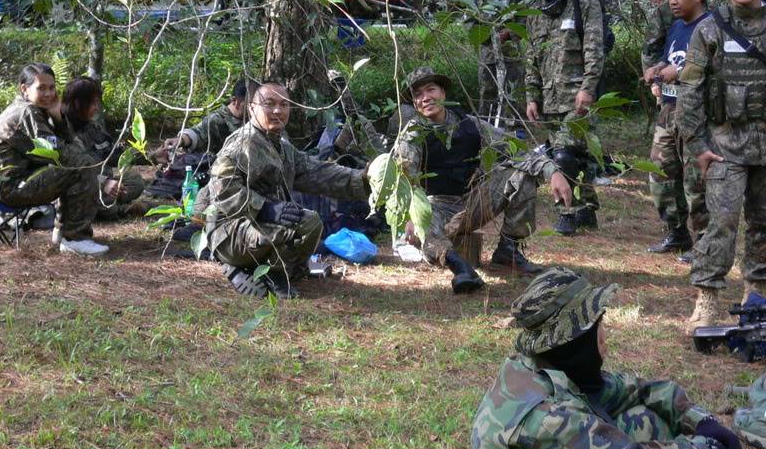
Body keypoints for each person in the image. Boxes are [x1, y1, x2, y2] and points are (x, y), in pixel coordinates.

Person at [469, 267, 744, 449]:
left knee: (645, 418)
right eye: (598, 324)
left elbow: (641, 389)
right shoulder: (550, 419)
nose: (604, 335)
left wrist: (703, 421)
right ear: (577, 338)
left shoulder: (546, 368)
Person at [395, 68, 572, 290]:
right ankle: (460, 267)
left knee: (521, 175)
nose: (425, 98)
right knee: (426, 227)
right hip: (436, 206)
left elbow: (516, 150)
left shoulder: (471, 125)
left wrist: (553, 171)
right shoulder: (412, 134)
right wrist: (410, 215)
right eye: (418, 94)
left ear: (443, 93)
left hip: (474, 200)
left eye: (431, 90)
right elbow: (404, 179)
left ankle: (509, 251)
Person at [205, 81, 370, 299]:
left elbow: (320, 173)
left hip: (259, 225)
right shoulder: (242, 143)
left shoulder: (281, 147)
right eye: (269, 104)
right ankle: (250, 267)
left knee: (310, 222)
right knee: (294, 228)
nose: (277, 111)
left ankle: (271, 270)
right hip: (230, 231)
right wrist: (265, 208)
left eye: (284, 105)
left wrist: (364, 180)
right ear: (252, 108)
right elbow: (221, 189)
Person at [677, 0, 766, 333]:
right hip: (725, 145)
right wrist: (697, 146)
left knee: (764, 222)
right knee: (722, 222)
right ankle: (707, 299)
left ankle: (756, 296)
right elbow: (690, 90)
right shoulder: (710, 28)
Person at [0, 63, 108, 256]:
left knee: (77, 166)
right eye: (41, 88)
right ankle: (75, 238)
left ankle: (64, 233)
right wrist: (60, 122)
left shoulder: (28, 109)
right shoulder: (26, 113)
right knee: (81, 167)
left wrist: (57, 118)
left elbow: (55, 152)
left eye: (52, 88)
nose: (48, 94)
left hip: (6, 183)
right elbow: (64, 154)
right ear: (24, 88)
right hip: (9, 188)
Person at [524, 0, 605, 236]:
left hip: (577, 97)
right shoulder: (534, 13)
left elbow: (594, 49)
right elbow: (531, 58)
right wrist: (531, 96)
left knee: (563, 155)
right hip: (549, 99)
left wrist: (588, 88)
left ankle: (567, 212)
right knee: (577, 154)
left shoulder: (583, 3)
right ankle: (587, 210)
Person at [643, 0, 710, 261]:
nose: (672, 1)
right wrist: (657, 70)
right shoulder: (678, 26)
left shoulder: (710, 27)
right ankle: (676, 232)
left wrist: (678, 73)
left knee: (696, 182)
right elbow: (671, 59)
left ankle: (706, 243)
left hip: (697, 114)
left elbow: (715, 68)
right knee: (661, 174)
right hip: (668, 111)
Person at [154, 78, 248, 239]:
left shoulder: (260, 120)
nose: (254, 108)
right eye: (250, 103)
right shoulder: (218, 120)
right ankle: (198, 224)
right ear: (236, 101)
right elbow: (198, 133)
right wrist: (180, 140)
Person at [62, 76, 146, 220]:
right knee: (103, 205)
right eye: (93, 103)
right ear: (77, 103)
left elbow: (114, 154)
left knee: (135, 180)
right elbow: (70, 171)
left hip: (106, 184)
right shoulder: (62, 129)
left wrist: (153, 156)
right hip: (80, 186)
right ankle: (120, 209)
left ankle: (109, 201)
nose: (96, 108)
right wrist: (102, 182)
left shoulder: (91, 126)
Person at [477, 0, 526, 129]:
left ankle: (516, 127)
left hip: (511, 53)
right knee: (487, 91)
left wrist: (508, 33)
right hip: (488, 55)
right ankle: (485, 126)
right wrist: (488, 36)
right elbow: (470, 24)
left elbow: (524, 20)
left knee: (513, 89)